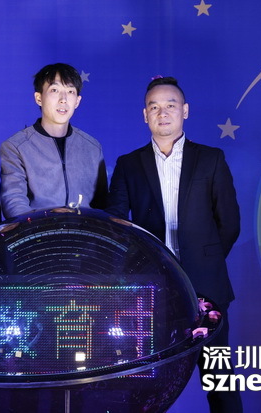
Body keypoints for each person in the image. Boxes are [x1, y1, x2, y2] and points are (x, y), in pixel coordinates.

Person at [106, 76, 242, 412]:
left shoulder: (210, 159)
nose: (162, 112)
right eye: (154, 107)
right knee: (145, 385)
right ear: (145, 115)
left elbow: (229, 224)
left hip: (207, 288)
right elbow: (116, 227)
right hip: (152, 291)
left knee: (220, 381)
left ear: (185, 111)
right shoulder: (128, 164)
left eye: (170, 105)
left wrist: (204, 263)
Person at [0, 63, 108, 218]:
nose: (63, 99)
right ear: (39, 98)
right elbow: (14, 204)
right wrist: (47, 218)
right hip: (38, 231)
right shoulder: (16, 147)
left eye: (70, 91)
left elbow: (102, 206)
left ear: (77, 101)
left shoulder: (92, 147)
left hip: (84, 231)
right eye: (55, 90)